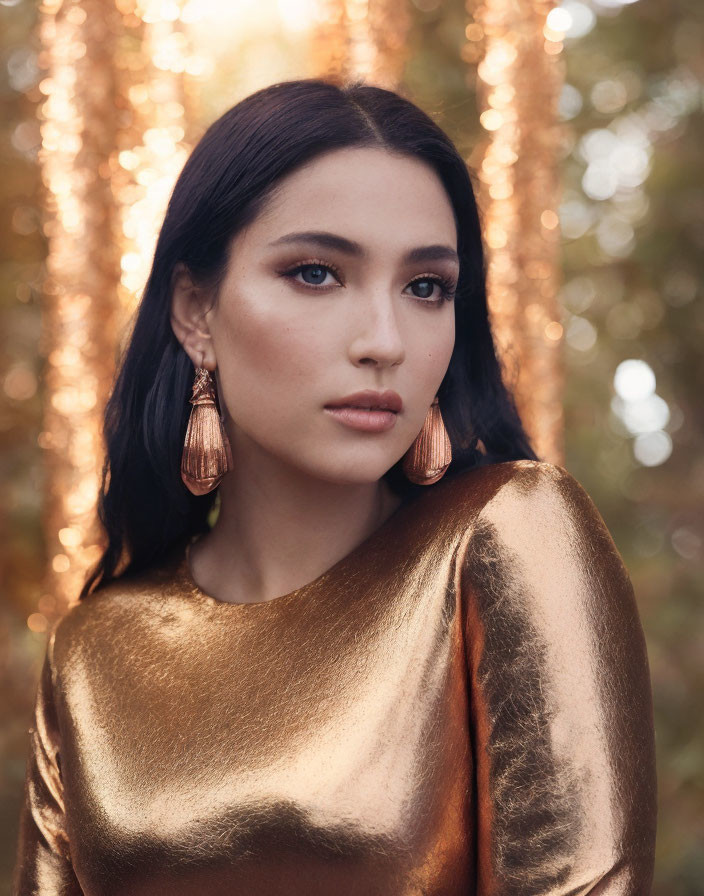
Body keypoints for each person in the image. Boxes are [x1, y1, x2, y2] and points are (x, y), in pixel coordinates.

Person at [12, 77, 657, 895]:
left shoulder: (508, 535)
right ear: (195, 312)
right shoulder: (93, 651)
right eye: (317, 273)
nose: (385, 341)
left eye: (426, 287)